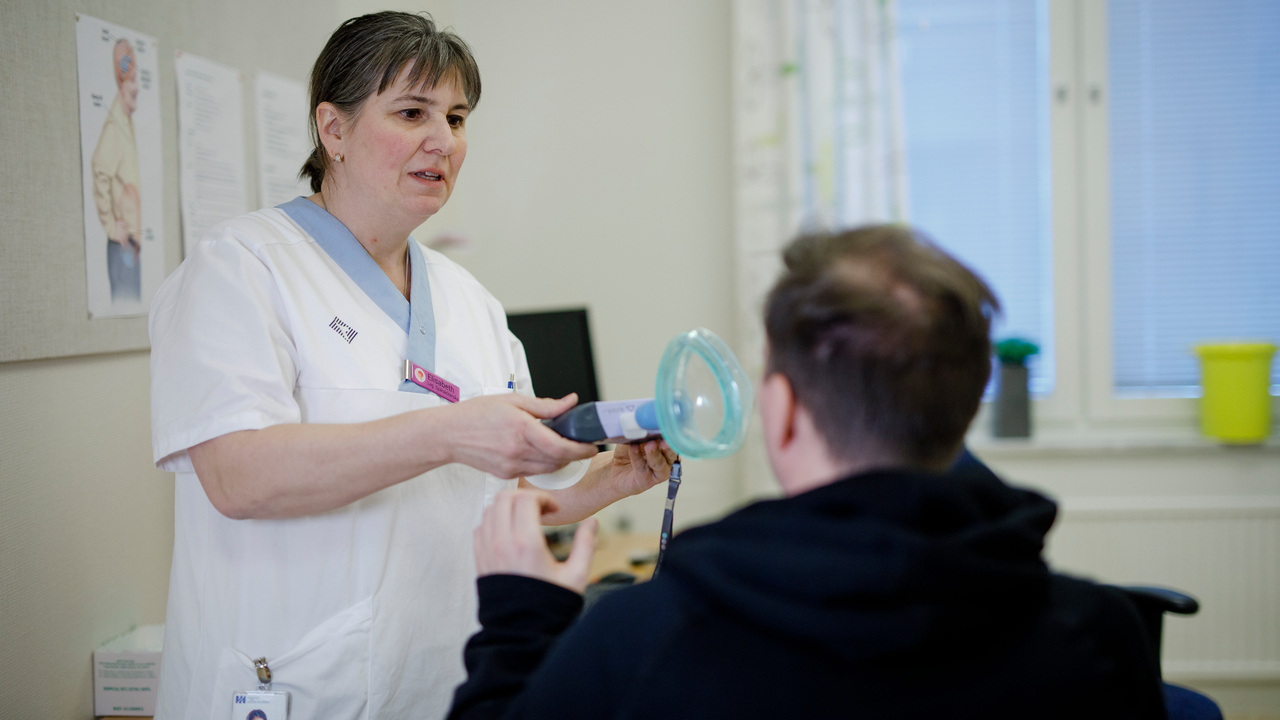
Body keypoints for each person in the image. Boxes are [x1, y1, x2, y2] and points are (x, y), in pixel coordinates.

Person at [148, 12, 674, 720]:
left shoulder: (471, 302)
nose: (443, 140)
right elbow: (237, 477)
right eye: (412, 112)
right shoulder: (240, 269)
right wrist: (450, 431)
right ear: (332, 130)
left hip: (439, 681)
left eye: (456, 118)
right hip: (291, 686)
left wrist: (605, 484)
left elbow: (491, 501)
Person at [449, 225, 1167, 719]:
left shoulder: (645, 640)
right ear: (958, 408)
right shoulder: (1100, 639)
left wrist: (517, 620)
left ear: (783, 413)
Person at [92, 38, 142, 302]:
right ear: (121, 83)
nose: (138, 87)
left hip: (131, 246)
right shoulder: (115, 127)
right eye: (132, 80)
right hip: (122, 246)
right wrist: (112, 226)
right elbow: (100, 169)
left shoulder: (126, 123)